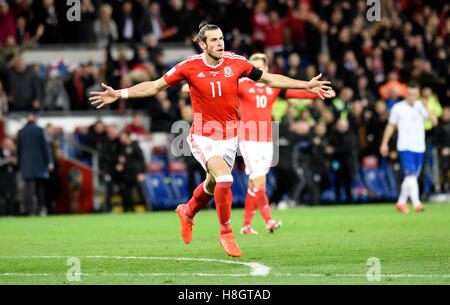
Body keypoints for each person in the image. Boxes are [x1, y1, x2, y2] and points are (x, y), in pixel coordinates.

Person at [90, 22, 332, 257]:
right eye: (214, 40)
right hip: (203, 136)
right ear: (203, 45)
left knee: (212, 184)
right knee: (225, 177)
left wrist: (306, 86)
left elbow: (269, 79)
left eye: (222, 39)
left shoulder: (236, 63)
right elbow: (155, 86)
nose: (220, 43)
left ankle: (187, 212)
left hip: (229, 137)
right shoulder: (189, 66)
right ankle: (226, 232)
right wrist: (120, 93)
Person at [237, 53, 335, 235]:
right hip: (248, 138)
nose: (256, 70)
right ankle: (268, 221)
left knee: (255, 184)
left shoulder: (271, 86)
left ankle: (246, 226)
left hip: (267, 138)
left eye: (260, 67)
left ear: (266, 69)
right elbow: (220, 90)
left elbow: (294, 92)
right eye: (253, 67)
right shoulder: (241, 84)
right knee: (260, 180)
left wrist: (318, 93)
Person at [380, 83, 437, 213]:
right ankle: (417, 204)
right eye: (410, 94)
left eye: (415, 95)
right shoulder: (398, 108)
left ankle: (401, 202)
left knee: (411, 178)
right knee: (411, 176)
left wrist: (426, 107)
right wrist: (384, 143)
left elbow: (434, 121)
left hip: (420, 147)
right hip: (405, 147)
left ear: (418, 95)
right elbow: (390, 126)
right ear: (406, 94)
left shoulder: (420, 106)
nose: (412, 97)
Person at [17, 113, 53, 216]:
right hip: (39, 162)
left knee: (28, 187)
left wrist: (20, 163)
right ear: (35, 120)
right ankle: (41, 208)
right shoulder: (40, 131)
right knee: (40, 187)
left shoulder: (21, 132)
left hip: (26, 163)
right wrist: (49, 162)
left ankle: (31, 210)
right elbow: (46, 148)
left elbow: (19, 149)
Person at [0, 137, 18, 215]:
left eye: (11, 144)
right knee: (3, 196)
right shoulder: (0, 152)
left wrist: (14, 162)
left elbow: (18, 167)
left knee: (12, 196)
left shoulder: (14, 153)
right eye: (7, 144)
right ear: (3, 144)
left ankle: (11, 214)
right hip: (2, 176)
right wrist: (7, 161)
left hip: (12, 176)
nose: (9, 146)